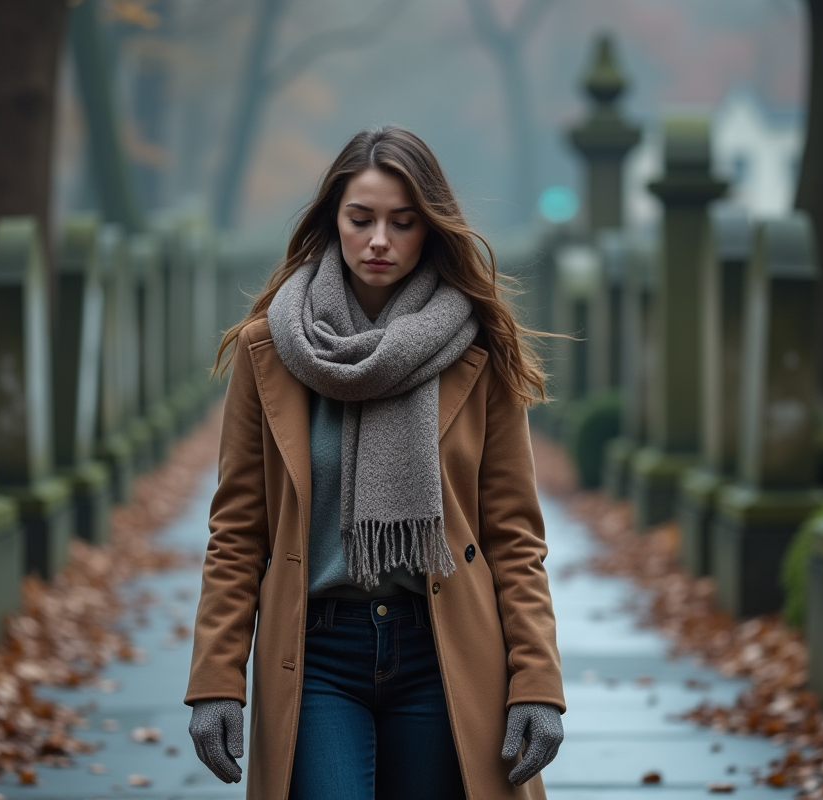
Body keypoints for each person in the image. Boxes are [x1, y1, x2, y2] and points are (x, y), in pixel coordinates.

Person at [184, 125, 565, 800]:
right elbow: (239, 531)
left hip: (445, 651)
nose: (379, 240)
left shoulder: (477, 349)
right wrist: (217, 681)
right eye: (361, 219)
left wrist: (536, 684)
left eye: (403, 222)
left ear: (430, 230)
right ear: (333, 220)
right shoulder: (268, 350)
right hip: (315, 653)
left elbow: (514, 537)